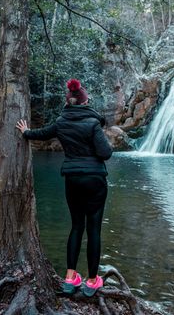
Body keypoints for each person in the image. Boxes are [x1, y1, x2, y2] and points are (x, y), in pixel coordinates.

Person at [16, 79, 113, 297]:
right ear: (85, 101)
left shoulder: (61, 122)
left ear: (69, 102)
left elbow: (41, 133)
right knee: (94, 229)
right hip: (95, 179)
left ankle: (70, 277)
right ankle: (91, 281)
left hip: (72, 179)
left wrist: (26, 132)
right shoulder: (93, 123)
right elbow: (106, 153)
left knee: (76, 226)